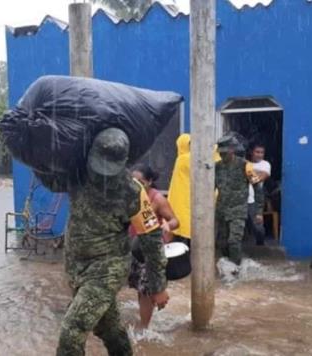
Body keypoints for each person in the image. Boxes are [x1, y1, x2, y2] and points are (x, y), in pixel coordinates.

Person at [53, 128, 169, 356]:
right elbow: (49, 177)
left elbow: (152, 239)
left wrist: (158, 286)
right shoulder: (77, 173)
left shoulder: (132, 191)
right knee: (109, 328)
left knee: (72, 330)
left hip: (108, 268)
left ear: (124, 161)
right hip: (76, 265)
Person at [129, 164, 179, 329]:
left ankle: (144, 329)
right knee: (139, 287)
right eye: (133, 181)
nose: (136, 185)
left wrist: (167, 226)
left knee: (146, 290)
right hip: (132, 248)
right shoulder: (128, 196)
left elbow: (175, 221)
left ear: (149, 181)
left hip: (149, 250)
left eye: (140, 182)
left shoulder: (157, 199)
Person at [167, 134, 221, 247]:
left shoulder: (181, 160)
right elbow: (214, 158)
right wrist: (213, 146)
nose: (194, 147)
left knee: (187, 231)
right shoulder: (185, 159)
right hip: (189, 201)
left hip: (187, 201)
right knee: (192, 232)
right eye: (191, 144)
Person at [214, 134, 251, 265]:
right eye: (220, 154)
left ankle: (237, 268)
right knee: (222, 243)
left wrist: (258, 211)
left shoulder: (245, 165)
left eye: (225, 153)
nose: (222, 156)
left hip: (238, 210)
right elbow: (210, 189)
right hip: (221, 210)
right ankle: (227, 266)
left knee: (234, 241)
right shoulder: (216, 167)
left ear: (232, 150)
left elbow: (257, 187)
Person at [246, 142, 270, 246]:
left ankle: (260, 245)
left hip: (257, 197)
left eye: (262, 152)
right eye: (257, 152)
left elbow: (262, 177)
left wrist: (249, 173)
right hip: (242, 197)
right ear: (252, 152)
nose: (260, 154)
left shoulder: (265, 164)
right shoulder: (244, 163)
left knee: (258, 225)